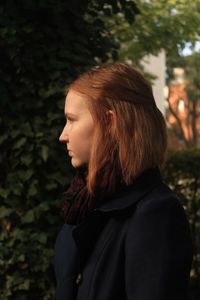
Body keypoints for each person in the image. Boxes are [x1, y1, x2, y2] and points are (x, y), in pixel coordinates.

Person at [54, 63, 193, 300]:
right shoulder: (84, 201)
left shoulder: (155, 214)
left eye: (72, 119)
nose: (63, 135)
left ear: (110, 123)